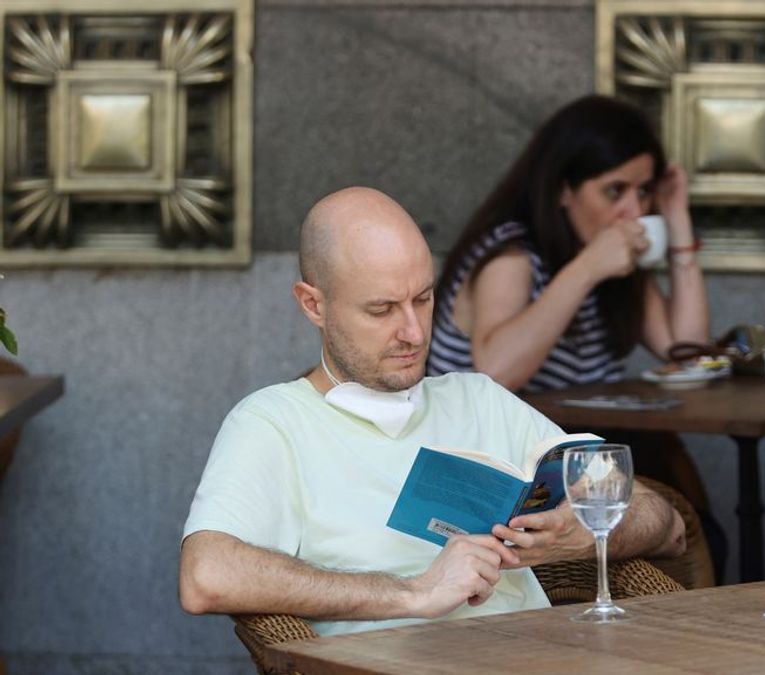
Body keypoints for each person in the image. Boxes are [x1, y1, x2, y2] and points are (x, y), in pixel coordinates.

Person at [178, 187, 685, 636]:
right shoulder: (274, 422)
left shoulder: (479, 398)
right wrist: (414, 593)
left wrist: (581, 533)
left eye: (422, 299)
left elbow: (665, 525)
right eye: (381, 310)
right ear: (314, 305)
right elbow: (206, 576)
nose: (415, 333)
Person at [426, 95, 724, 575]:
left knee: (699, 523)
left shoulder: (613, 261)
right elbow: (496, 372)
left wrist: (678, 219)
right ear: (564, 190)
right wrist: (585, 269)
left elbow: (685, 350)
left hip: (576, 458)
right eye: (615, 191)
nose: (633, 210)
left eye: (644, 192)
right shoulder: (514, 256)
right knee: (684, 513)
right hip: (495, 473)